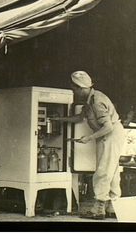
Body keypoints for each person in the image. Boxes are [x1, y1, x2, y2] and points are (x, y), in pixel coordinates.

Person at [51, 71, 126, 220]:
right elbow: (79, 117)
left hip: (110, 135)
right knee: (111, 172)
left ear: (79, 88)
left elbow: (108, 127)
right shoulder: (89, 100)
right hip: (108, 135)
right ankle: (112, 207)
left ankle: (98, 210)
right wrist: (60, 119)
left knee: (103, 171)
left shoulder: (97, 101)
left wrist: (89, 137)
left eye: (74, 89)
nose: (73, 91)